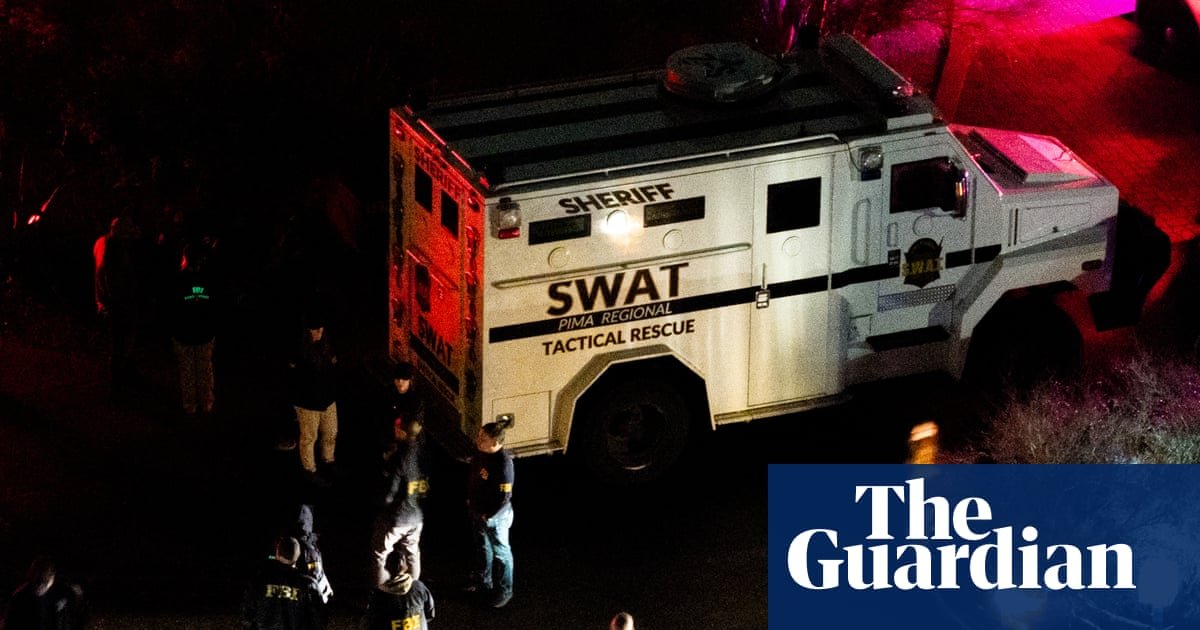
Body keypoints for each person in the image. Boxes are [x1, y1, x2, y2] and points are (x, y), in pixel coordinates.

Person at [369, 390, 428, 589]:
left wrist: (382, 505)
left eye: (397, 427)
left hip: (397, 516)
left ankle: (381, 591)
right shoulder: (422, 453)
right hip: (416, 516)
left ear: (402, 432)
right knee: (412, 553)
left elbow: (390, 491)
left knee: (380, 553)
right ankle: (413, 588)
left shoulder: (399, 457)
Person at [465, 416, 515, 608]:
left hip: (495, 518)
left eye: (483, 439)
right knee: (483, 547)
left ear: (495, 442)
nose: (478, 441)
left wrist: (490, 515)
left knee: (501, 554)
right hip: (477, 511)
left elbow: (504, 497)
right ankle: (483, 580)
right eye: (479, 436)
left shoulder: (503, 464)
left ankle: (504, 591)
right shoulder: (480, 454)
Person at [93, 215, 144, 398]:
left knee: (121, 341)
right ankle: (117, 385)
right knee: (121, 343)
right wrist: (119, 301)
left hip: (106, 301)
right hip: (117, 303)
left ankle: (126, 374)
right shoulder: (115, 249)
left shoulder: (100, 242)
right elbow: (113, 279)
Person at [287, 310, 339, 485]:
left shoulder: (327, 346)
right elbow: (293, 378)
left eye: (321, 329)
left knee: (330, 432)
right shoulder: (299, 350)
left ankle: (328, 460)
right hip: (307, 402)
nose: (319, 333)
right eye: (315, 330)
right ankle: (309, 469)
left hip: (327, 399)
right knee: (309, 437)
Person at [168, 239, 219, 416]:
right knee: (205, 369)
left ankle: (190, 405)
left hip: (183, 334)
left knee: (187, 371)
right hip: (204, 333)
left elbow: (171, 308)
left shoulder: (177, 280)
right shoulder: (210, 279)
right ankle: (206, 403)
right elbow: (216, 307)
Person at [241, 536, 326, 630]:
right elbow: (318, 620)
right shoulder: (309, 585)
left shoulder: (259, 581)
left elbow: (247, 616)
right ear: (298, 555)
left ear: (277, 553)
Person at [1, 556, 86, 630]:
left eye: (44, 581)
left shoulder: (61, 591)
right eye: (36, 580)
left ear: (52, 577)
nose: (40, 586)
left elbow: (74, 613)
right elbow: (8, 625)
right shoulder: (19, 599)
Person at [361, 556, 435, 630]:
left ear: (386, 567)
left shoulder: (378, 595)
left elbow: (368, 624)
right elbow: (430, 613)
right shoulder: (419, 587)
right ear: (406, 567)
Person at [290, 504, 334, 608]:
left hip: (302, 600)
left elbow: (316, 573)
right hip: (304, 600)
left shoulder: (301, 545)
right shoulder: (308, 547)